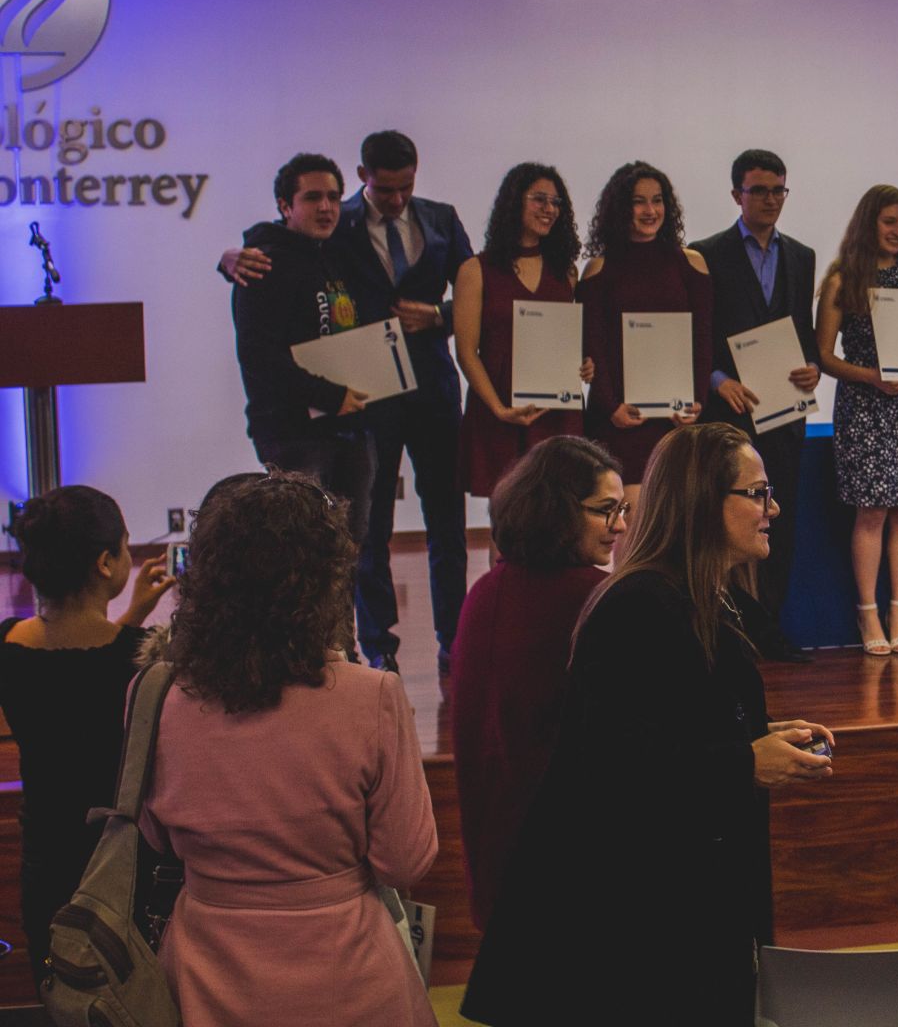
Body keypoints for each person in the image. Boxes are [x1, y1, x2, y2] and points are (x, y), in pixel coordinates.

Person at [462, 424, 836, 1027]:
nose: (775, 508)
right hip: (650, 922)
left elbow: (673, 715)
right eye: (758, 492)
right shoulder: (639, 603)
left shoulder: (695, 593)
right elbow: (612, 762)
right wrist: (744, 760)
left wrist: (758, 732)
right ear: (701, 502)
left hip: (689, 902)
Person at [140, 471, 438, 1027]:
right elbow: (406, 859)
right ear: (327, 579)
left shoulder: (156, 692)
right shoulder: (370, 695)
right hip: (348, 973)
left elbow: (154, 836)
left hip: (207, 972)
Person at [221, 131, 477, 674]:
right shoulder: (337, 227)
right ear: (364, 177)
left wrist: (439, 317)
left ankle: (455, 641)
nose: (397, 200)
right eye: (385, 190)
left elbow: (479, 295)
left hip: (432, 390)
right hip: (364, 399)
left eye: (406, 187)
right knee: (365, 533)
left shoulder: (443, 219)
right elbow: (274, 247)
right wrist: (229, 258)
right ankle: (377, 649)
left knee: (448, 525)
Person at [450, 436, 625, 932]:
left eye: (624, 508)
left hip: (498, 853)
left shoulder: (484, 592)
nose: (622, 525)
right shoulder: (597, 600)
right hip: (570, 866)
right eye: (605, 510)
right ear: (557, 510)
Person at [0, 486, 172, 976]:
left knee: (62, 988)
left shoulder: (9, 645)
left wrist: (129, 615)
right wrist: (131, 624)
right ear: (105, 563)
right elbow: (110, 667)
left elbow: (72, 672)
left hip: (45, 862)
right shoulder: (143, 656)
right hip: (122, 864)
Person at [690, 148, 820, 664]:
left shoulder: (802, 257)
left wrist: (811, 367)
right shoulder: (705, 254)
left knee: (776, 526)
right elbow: (698, 338)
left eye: (778, 190)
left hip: (783, 414)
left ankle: (770, 630)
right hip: (727, 417)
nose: (770, 200)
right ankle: (723, 631)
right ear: (736, 195)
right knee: (725, 529)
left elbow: (801, 336)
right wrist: (717, 380)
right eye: (759, 190)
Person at [816, 184, 898, 655]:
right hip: (866, 405)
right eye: (889, 221)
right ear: (869, 222)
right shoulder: (842, 280)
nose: (897, 231)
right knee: (872, 511)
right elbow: (824, 356)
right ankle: (867, 612)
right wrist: (870, 376)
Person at [230, 152, 376, 545]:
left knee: (350, 549)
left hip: (351, 427)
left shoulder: (339, 255)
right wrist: (331, 396)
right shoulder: (263, 265)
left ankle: (345, 613)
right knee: (303, 550)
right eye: (312, 198)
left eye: (333, 197)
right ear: (285, 206)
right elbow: (259, 358)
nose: (326, 207)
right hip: (294, 435)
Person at [578, 161, 712, 516]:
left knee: (677, 519)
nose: (650, 210)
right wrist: (612, 408)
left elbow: (702, 340)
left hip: (676, 418)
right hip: (623, 418)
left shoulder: (692, 263)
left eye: (657, 200)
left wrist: (696, 401)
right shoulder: (599, 269)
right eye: (639, 201)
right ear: (621, 207)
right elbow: (593, 345)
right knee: (632, 522)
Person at [454, 162, 593, 500]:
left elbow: (567, 340)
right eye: (540, 200)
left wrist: (585, 363)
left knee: (560, 510)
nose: (549, 210)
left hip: (556, 412)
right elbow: (466, 351)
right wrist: (499, 408)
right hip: (499, 408)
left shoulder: (567, 272)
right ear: (514, 201)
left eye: (556, 203)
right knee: (506, 515)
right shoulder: (475, 270)